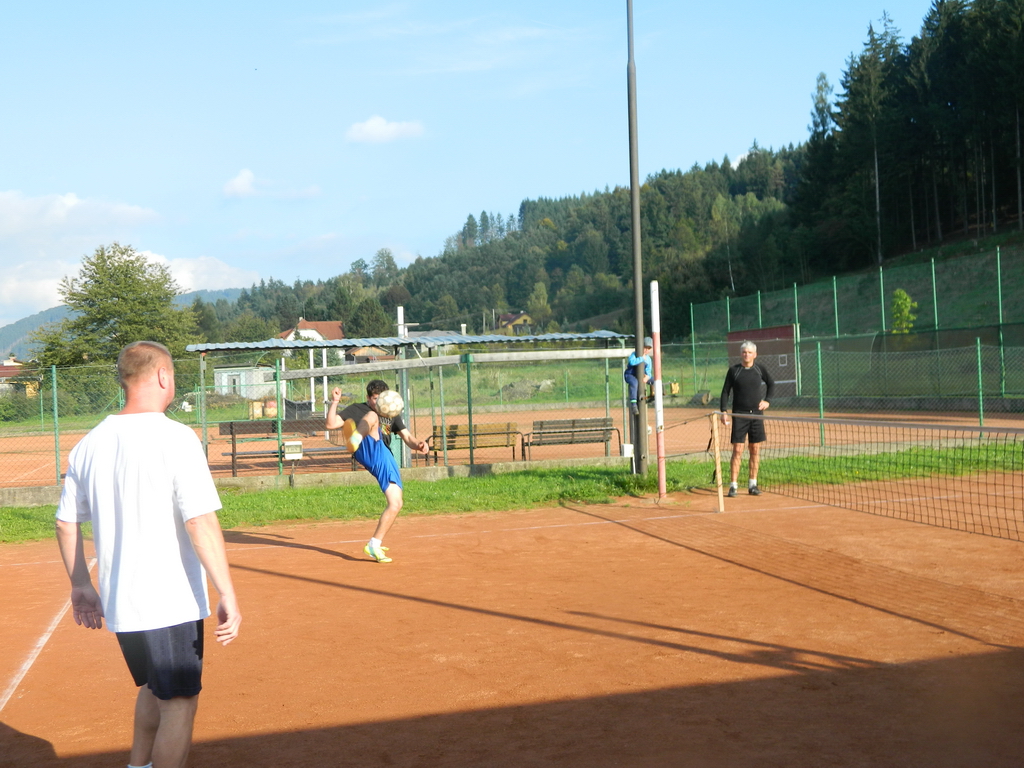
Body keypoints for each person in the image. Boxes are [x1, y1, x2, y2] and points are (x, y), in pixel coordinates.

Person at [55, 341, 241, 768]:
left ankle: (137, 765)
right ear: (162, 376)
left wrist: (81, 584)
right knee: (179, 702)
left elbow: (66, 523)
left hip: (122, 601)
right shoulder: (177, 438)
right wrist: (227, 592)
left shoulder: (88, 444)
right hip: (169, 600)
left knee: (154, 688)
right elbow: (200, 521)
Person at [326, 380, 429, 563]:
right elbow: (331, 424)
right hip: (367, 447)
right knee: (372, 416)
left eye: (382, 398)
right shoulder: (358, 409)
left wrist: (419, 444)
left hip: (384, 457)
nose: (380, 403)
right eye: (375, 399)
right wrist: (335, 402)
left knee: (396, 503)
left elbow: (407, 437)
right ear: (368, 398)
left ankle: (374, 544)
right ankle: (356, 438)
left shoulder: (390, 412)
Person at [719, 340, 775, 497]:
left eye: (750, 352)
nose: (747, 355)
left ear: (755, 354)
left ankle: (753, 485)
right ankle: (733, 486)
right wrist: (724, 411)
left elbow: (771, 384)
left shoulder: (760, 369)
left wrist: (767, 400)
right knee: (737, 449)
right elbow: (725, 391)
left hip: (756, 415)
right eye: (744, 352)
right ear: (740, 354)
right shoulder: (734, 371)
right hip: (739, 415)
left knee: (755, 449)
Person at [624, 337, 653, 415]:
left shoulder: (648, 359)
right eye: (645, 347)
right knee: (634, 383)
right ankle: (634, 404)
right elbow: (632, 362)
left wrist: (647, 377)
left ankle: (653, 396)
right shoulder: (634, 354)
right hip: (630, 374)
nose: (646, 350)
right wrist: (641, 358)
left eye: (649, 348)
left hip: (641, 376)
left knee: (654, 380)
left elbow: (648, 371)